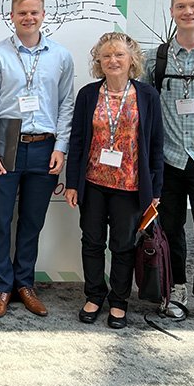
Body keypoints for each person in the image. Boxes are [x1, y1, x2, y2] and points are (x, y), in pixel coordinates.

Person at [0, 0, 75, 319]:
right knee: (1, 221)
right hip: (6, 143)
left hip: (45, 146)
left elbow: (66, 104)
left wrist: (61, 147)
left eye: (34, 12)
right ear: (12, 16)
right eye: (22, 13)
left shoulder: (61, 56)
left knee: (32, 221)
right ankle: (1, 287)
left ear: (43, 15)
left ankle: (25, 284)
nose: (28, 18)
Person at [65, 33, 163, 329]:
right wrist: (72, 182)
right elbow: (78, 140)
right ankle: (94, 295)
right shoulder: (88, 94)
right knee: (92, 242)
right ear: (99, 61)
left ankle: (119, 301)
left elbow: (156, 144)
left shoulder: (147, 95)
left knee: (122, 246)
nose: (113, 60)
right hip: (93, 183)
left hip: (130, 187)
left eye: (119, 54)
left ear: (132, 59)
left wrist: (155, 190)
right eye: (106, 56)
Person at [140, 0, 194, 330]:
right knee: (170, 229)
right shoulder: (155, 59)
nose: (188, 12)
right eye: (181, 6)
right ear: (172, 11)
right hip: (168, 160)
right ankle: (176, 290)